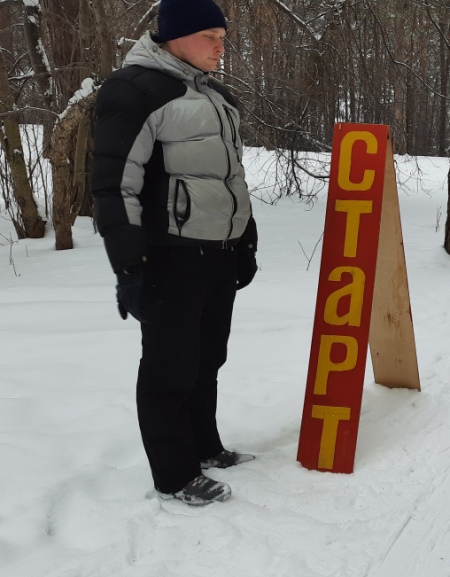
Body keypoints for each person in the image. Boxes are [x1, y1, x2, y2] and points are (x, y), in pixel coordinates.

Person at [91, 0, 257, 506]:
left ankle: (205, 447)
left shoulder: (217, 96)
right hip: (169, 255)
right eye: (211, 36)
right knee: (170, 367)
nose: (221, 47)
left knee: (207, 358)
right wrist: (130, 266)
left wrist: (245, 238)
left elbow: (231, 177)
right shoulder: (134, 91)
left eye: (223, 37)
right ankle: (174, 474)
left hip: (217, 251)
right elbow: (114, 185)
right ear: (175, 36)